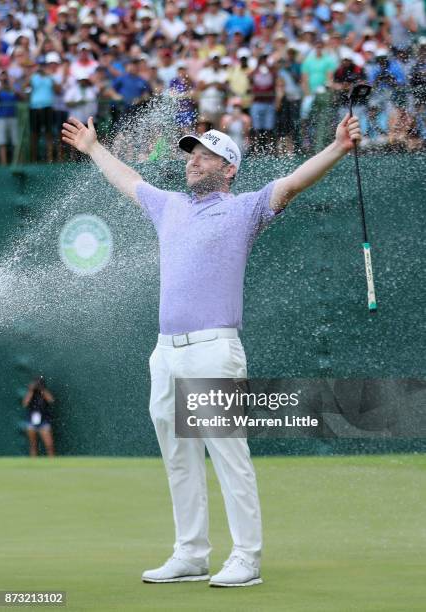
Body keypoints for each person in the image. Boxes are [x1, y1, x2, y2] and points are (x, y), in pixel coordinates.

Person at [61, 108, 361, 587]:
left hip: (213, 349)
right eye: (192, 154)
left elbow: (293, 182)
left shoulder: (245, 208)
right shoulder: (169, 206)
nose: (194, 161)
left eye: (206, 156)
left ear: (229, 169)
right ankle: (191, 553)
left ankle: (247, 557)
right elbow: (130, 179)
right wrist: (95, 148)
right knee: (178, 456)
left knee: (228, 455)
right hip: (166, 353)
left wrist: (338, 148)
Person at [22, 376, 56, 457]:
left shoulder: (44, 392)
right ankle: (34, 466)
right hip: (31, 421)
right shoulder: (30, 393)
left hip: (44, 421)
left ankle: (53, 465)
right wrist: (31, 390)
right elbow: (25, 404)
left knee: (49, 445)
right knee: (33, 445)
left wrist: (42, 389)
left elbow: (51, 400)